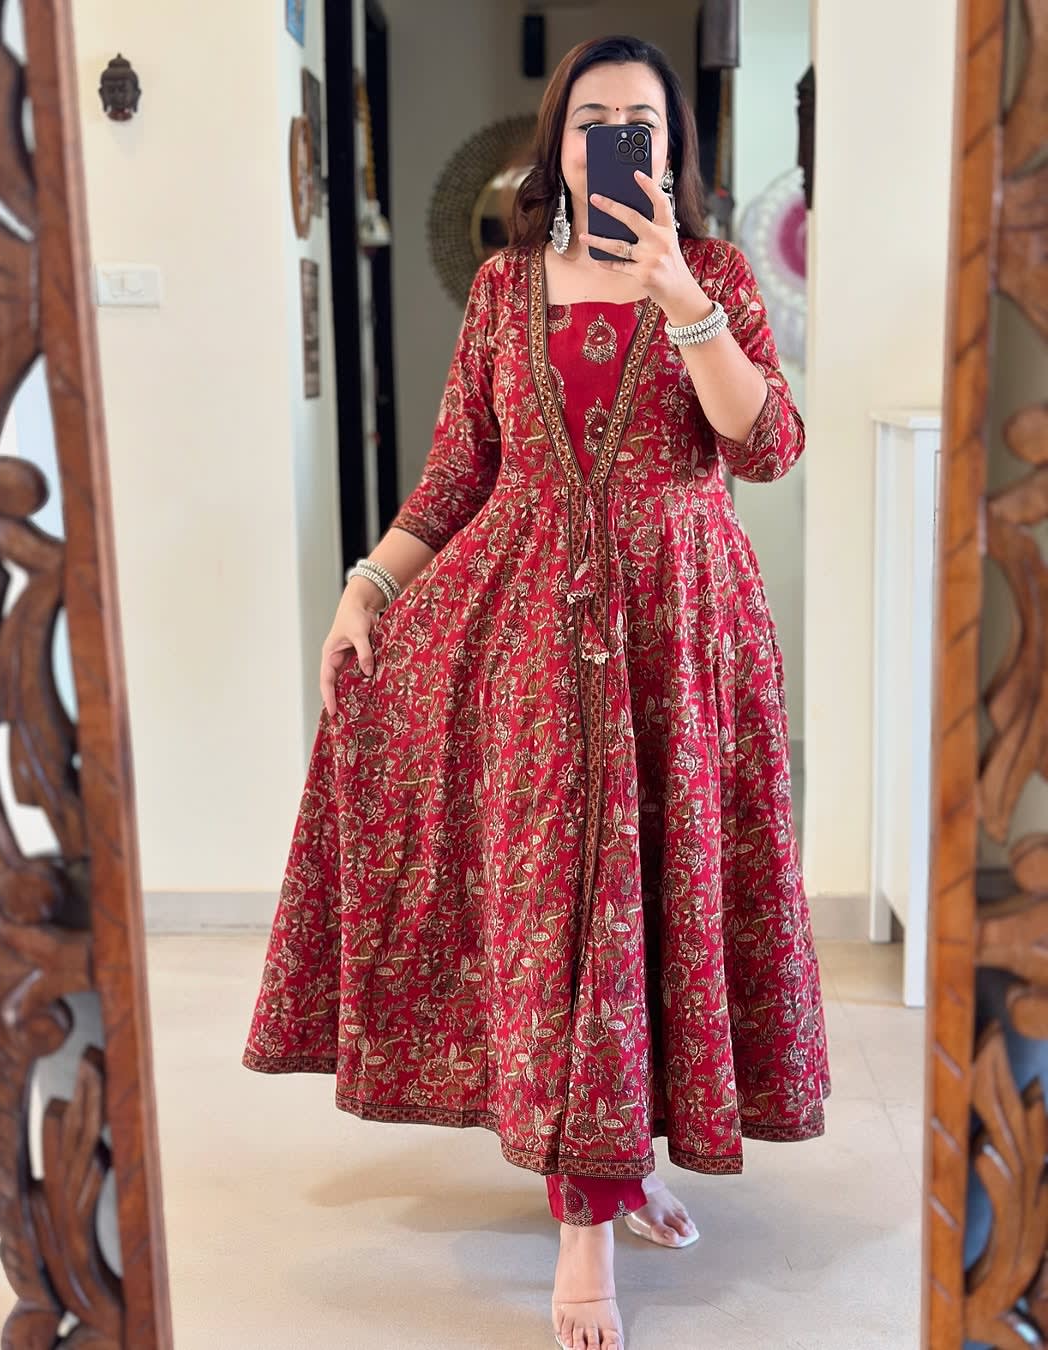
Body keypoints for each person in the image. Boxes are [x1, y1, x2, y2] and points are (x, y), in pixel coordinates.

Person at [243, 33, 831, 1350]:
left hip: (678, 635)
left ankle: (621, 1160)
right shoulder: (505, 291)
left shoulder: (718, 274)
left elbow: (768, 446)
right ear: (557, 145)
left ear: (671, 146)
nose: (615, 138)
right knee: (559, 910)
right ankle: (587, 1215)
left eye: (641, 121)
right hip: (527, 639)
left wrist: (682, 294)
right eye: (591, 119)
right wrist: (367, 589)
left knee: (654, 908)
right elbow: (461, 471)